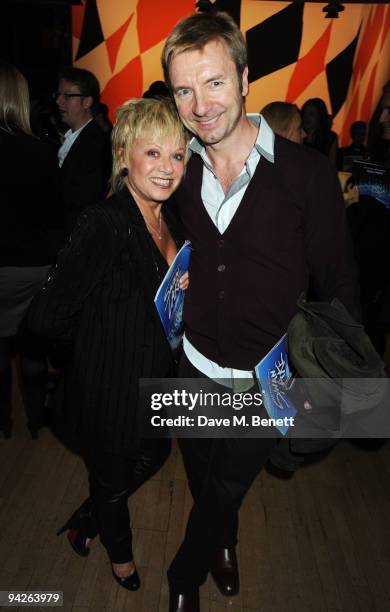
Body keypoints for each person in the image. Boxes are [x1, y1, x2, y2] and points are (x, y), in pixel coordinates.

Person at [162, 11, 359, 611]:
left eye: (214, 82)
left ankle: (181, 579)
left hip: (267, 380)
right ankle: (222, 543)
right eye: (183, 90)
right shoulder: (179, 168)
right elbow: (169, 247)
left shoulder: (306, 174)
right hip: (193, 364)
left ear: (245, 78)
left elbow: (341, 287)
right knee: (202, 478)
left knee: (225, 483)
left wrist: (330, 393)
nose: (199, 106)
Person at [27, 98, 189, 590]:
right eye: (154, 153)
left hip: (154, 377)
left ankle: (84, 516)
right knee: (113, 482)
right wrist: (97, 350)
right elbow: (44, 319)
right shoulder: (103, 223)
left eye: (178, 155)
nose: (167, 168)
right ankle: (120, 556)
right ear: (124, 155)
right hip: (110, 388)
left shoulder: (168, 218)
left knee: (155, 455)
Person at [0, 60, 62, 439]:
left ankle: (2, 422)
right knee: (33, 347)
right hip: (38, 266)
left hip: (2, 267)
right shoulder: (43, 151)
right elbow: (54, 216)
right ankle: (38, 421)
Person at [55, 67, 112, 235]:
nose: (59, 101)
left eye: (68, 96)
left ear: (87, 102)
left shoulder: (95, 143)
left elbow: (84, 199)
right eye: (58, 94)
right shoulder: (74, 138)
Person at [302, 97, 339, 166]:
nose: (306, 117)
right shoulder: (297, 134)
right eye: (304, 113)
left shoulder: (330, 138)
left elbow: (331, 166)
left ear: (320, 116)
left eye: (312, 114)